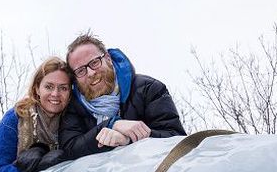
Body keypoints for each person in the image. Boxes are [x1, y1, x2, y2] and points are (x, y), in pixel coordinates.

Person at [59, 32, 186, 160]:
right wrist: (111, 124)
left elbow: (176, 138)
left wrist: (128, 140)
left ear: (107, 58)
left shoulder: (149, 89)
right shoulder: (72, 107)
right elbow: (68, 150)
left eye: (94, 62)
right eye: (81, 70)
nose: (90, 73)